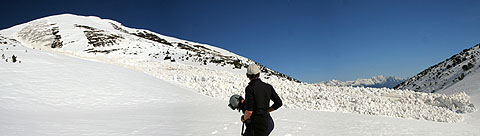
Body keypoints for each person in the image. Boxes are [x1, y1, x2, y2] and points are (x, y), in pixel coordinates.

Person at [242, 64, 282, 136]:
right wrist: (266, 110)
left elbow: (249, 111)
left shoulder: (249, 88)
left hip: (256, 123)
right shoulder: (268, 87)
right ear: (259, 74)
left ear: (247, 75)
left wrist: (244, 118)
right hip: (266, 121)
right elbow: (278, 103)